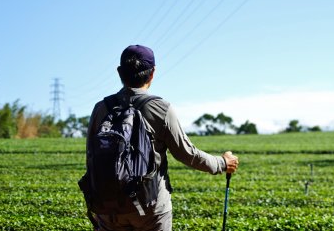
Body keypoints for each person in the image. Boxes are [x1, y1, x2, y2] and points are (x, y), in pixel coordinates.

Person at [85, 44, 239, 231]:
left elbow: (91, 157)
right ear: (152, 73)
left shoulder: (100, 108)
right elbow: (187, 154)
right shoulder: (160, 108)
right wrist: (222, 163)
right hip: (151, 207)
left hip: (108, 207)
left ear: (119, 72)